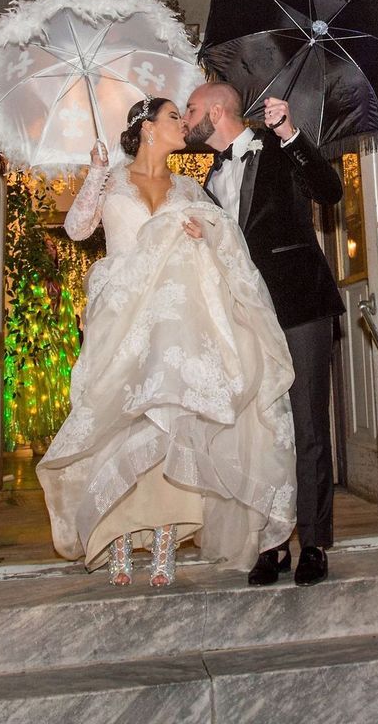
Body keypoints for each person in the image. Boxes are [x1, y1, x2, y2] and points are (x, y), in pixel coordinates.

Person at [37, 95, 296, 587]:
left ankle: (163, 535)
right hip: (122, 317)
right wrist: (94, 173)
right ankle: (114, 536)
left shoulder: (189, 187)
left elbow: (226, 239)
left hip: (175, 323)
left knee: (173, 419)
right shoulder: (111, 179)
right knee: (119, 419)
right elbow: (76, 228)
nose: (185, 124)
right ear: (148, 128)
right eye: (175, 116)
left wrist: (205, 234)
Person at [183, 82, 344, 587]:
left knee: (308, 425)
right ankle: (271, 542)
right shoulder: (210, 175)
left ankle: (314, 542)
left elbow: (330, 190)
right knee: (264, 435)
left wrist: (291, 133)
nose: (186, 120)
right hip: (247, 319)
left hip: (299, 306)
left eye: (189, 110)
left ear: (216, 110)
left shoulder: (277, 146)